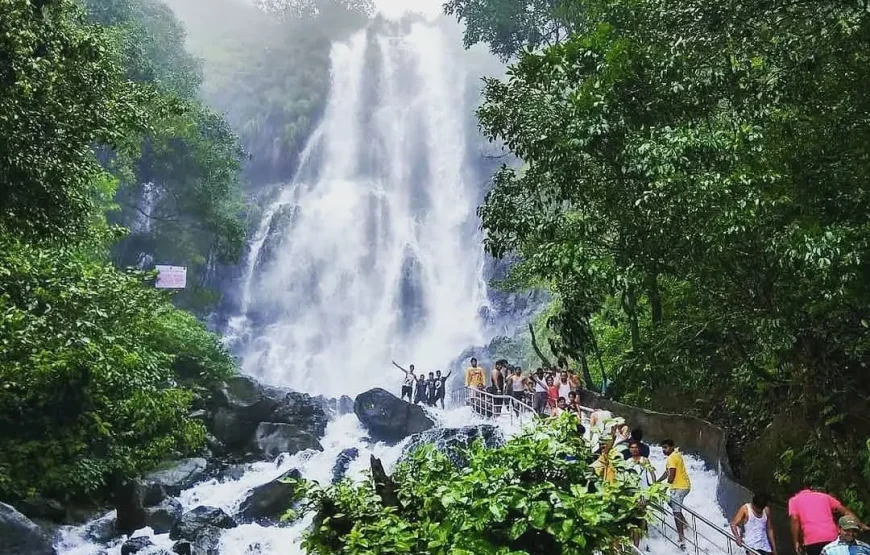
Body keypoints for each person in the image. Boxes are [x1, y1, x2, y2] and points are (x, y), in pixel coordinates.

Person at [789, 488, 869, 555]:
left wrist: (796, 542)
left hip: (812, 539)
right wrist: (861, 525)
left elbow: (795, 519)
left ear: (796, 493)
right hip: (832, 537)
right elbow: (845, 511)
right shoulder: (824, 496)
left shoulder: (794, 500)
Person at [657, 439, 692, 550]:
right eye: (663, 448)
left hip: (680, 487)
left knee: (676, 511)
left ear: (672, 447)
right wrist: (657, 481)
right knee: (672, 503)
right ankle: (685, 524)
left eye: (666, 447)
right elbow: (667, 472)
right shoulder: (675, 455)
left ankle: (681, 538)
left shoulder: (672, 457)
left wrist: (664, 488)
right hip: (684, 486)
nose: (664, 450)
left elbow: (671, 476)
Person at [626, 440, 656, 548]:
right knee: (634, 517)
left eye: (636, 447)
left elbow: (652, 474)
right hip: (633, 493)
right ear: (629, 449)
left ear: (639, 449)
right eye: (632, 447)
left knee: (643, 516)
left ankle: (644, 541)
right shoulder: (627, 462)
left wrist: (654, 488)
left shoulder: (644, 460)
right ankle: (636, 543)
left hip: (644, 492)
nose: (634, 449)